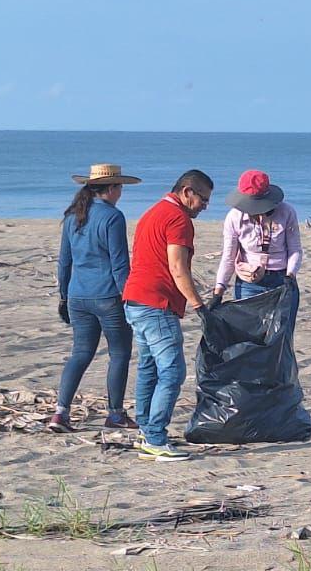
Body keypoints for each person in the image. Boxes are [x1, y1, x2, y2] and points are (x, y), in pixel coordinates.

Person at [121, 169, 215, 461]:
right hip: (155, 303)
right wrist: (198, 304)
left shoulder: (153, 212)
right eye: (203, 199)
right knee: (172, 371)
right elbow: (178, 267)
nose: (204, 206)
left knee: (149, 367)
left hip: (136, 299)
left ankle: (147, 430)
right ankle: (155, 437)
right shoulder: (178, 219)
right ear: (187, 192)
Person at [51, 164, 141, 433]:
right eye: (120, 188)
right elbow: (119, 264)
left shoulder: (73, 216)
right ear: (112, 188)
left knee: (80, 353)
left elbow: (64, 262)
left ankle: (60, 412)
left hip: (78, 295)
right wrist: (129, 297)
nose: (121, 193)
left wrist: (64, 297)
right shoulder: (112, 217)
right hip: (107, 296)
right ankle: (115, 414)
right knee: (120, 353)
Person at [213, 170, 302, 301]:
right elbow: (229, 256)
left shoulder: (286, 212)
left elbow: (295, 249)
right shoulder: (234, 217)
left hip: (281, 278)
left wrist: (290, 275)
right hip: (249, 281)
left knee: (282, 321)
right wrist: (219, 290)